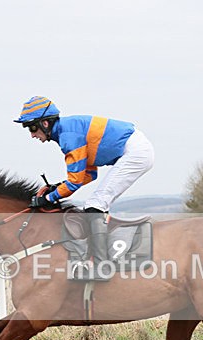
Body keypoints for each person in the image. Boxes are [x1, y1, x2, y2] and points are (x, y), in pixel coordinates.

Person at [14, 96, 154, 281]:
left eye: (32, 128)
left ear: (45, 123)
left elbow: (74, 182)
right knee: (94, 203)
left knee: (95, 205)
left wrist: (47, 199)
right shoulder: (67, 131)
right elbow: (88, 175)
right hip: (135, 149)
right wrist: (58, 188)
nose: (32, 135)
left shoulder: (68, 137)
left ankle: (102, 267)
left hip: (135, 152)